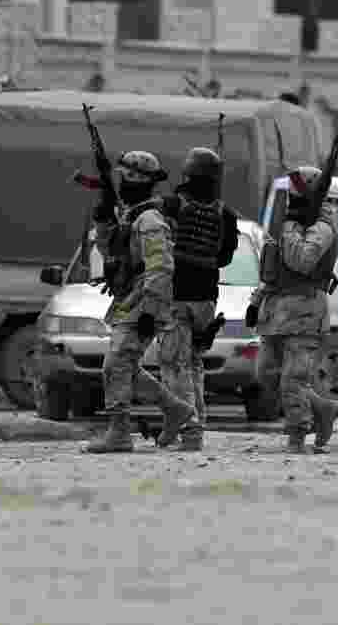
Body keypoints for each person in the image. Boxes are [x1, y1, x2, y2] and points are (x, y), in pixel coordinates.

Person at [85, 151, 196, 454]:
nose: (120, 183)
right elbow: (110, 250)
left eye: (125, 178)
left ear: (137, 181)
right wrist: (104, 218)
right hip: (131, 297)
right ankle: (174, 409)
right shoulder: (130, 214)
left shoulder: (149, 220)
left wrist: (148, 309)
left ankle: (119, 433)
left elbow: (161, 267)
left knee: (115, 364)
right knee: (126, 365)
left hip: (145, 299)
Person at [248, 166, 338, 454]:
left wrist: (289, 227)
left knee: (294, 377)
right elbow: (271, 268)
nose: (290, 199)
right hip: (275, 311)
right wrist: (255, 301)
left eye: (296, 193)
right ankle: (321, 408)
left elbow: (302, 260)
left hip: (304, 312)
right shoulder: (288, 222)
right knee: (265, 373)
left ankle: (297, 435)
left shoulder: (322, 227)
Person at [153, 147, 240, 451]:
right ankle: (196, 427)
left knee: (174, 366)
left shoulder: (170, 205)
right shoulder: (226, 214)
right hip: (206, 301)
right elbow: (226, 258)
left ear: (186, 174)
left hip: (175, 297)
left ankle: (189, 430)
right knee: (193, 365)